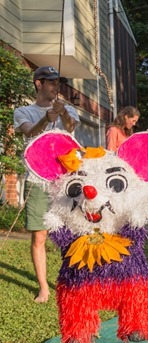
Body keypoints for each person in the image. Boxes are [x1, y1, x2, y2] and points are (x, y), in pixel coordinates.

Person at [13, 66, 80, 303]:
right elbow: (29, 134)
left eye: (57, 83)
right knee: (39, 237)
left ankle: (71, 283)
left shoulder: (67, 108)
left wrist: (62, 115)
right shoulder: (23, 111)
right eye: (50, 82)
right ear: (38, 84)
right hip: (38, 180)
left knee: (71, 235)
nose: (55, 87)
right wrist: (46, 118)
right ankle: (44, 288)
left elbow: (71, 130)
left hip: (66, 181)